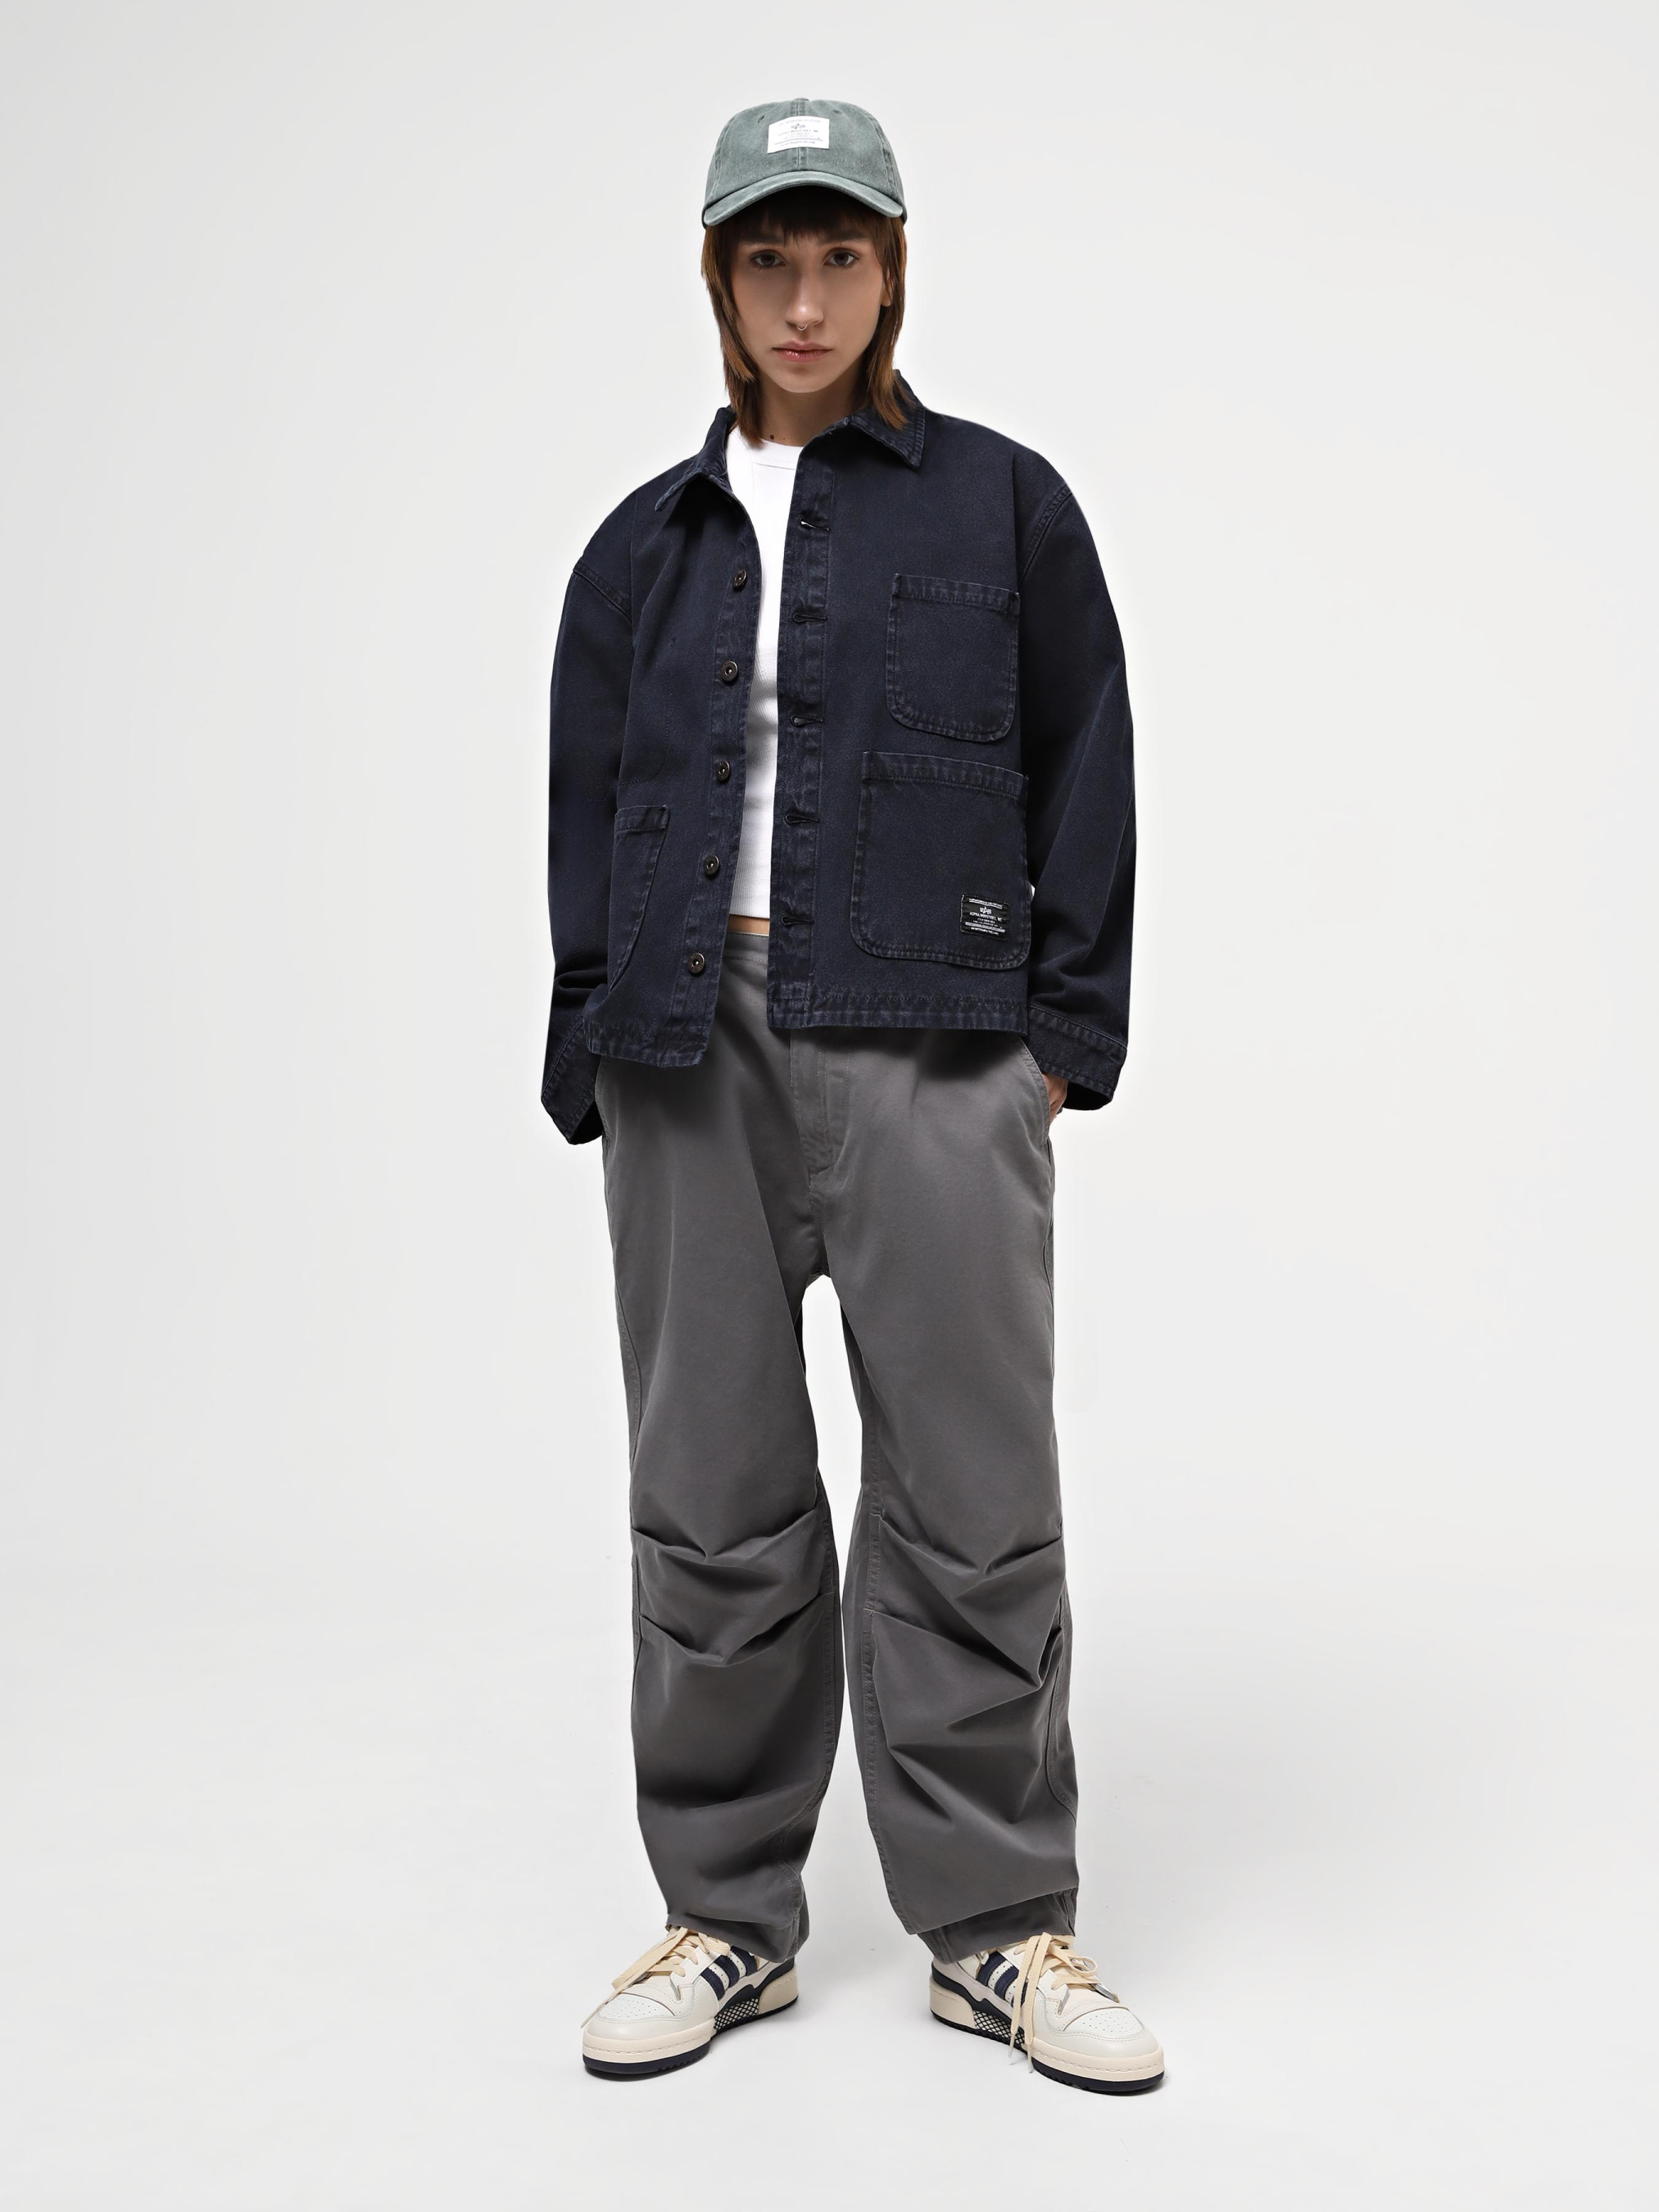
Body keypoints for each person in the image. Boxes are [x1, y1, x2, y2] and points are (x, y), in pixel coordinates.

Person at [542, 97, 1162, 2095]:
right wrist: (588, 1040)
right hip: (684, 1051)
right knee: (710, 1502)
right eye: (765, 261)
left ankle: (997, 1929)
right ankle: (726, 1917)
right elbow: (586, 803)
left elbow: (1085, 759)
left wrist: (1057, 1039)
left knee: (973, 1499)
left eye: (837, 258)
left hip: (939, 1039)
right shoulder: (642, 548)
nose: (802, 301)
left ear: (890, 272)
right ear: (717, 282)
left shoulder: (1002, 507)